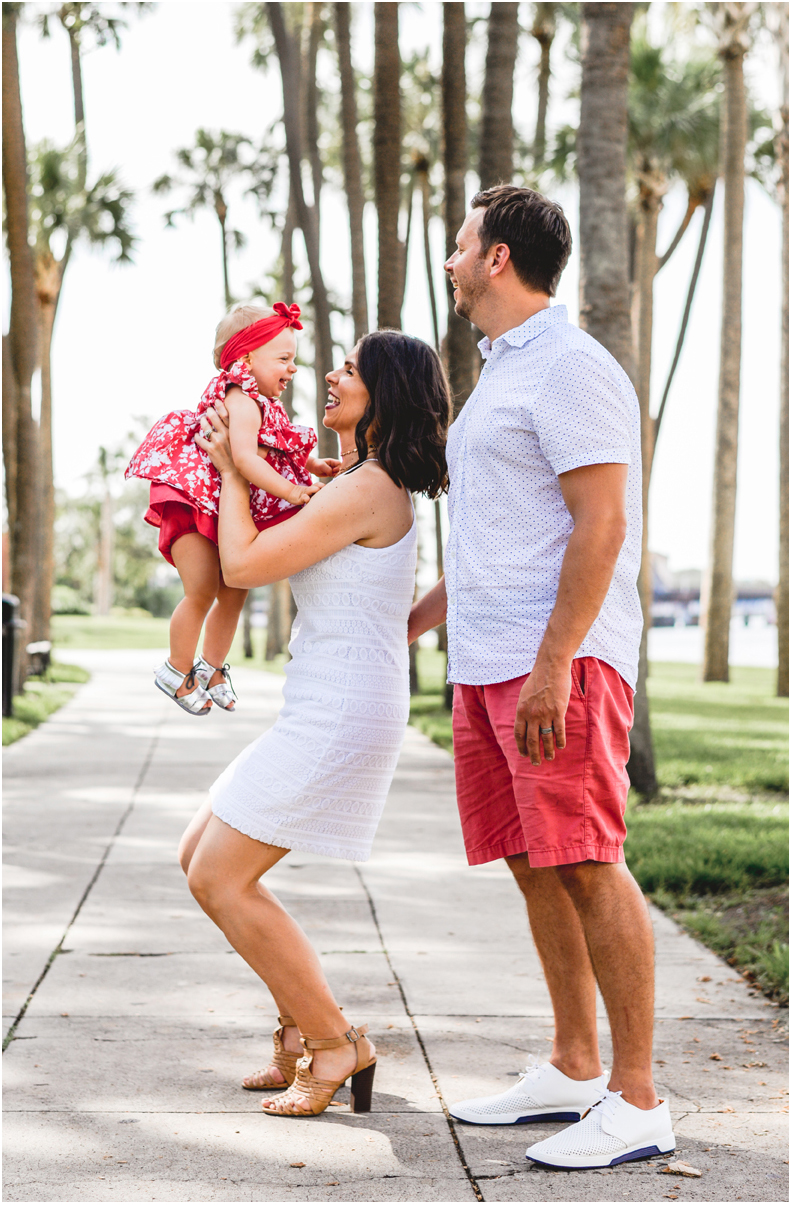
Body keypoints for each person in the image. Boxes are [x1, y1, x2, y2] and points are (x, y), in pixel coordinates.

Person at [406, 184, 673, 1170]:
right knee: (533, 861)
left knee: (585, 857)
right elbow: (500, 537)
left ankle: (637, 1097)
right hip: (489, 660)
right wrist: (414, 622)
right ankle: (571, 1063)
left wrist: (556, 662)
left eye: (461, 244)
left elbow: (600, 526)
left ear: (500, 259)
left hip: (554, 660)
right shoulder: (505, 370)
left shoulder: (568, 368)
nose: (450, 260)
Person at [178, 330, 451, 1117]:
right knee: (198, 853)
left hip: (339, 711)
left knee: (219, 876)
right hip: (326, 700)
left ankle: (335, 1041)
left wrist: (232, 469)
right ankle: (301, 1030)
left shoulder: (366, 488)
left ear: (384, 396)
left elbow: (242, 565)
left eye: (350, 370)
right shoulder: (357, 480)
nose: (330, 375)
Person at [125, 302, 343, 714]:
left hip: (221, 508)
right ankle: (176, 668)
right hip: (195, 506)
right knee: (203, 590)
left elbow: (275, 448)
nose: (293, 368)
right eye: (283, 358)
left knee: (235, 591)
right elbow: (244, 458)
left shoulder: (263, 405)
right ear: (245, 357)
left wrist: (312, 464)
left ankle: (211, 668)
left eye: (294, 359)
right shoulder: (241, 399)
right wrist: (294, 492)